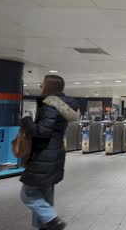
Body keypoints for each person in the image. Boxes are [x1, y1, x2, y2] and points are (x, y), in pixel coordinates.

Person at [19, 75, 79, 230]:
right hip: (55, 154)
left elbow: (42, 131)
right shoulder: (63, 106)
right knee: (45, 194)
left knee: (28, 194)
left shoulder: (50, 105)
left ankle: (52, 220)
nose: (40, 87)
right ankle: (45, 226)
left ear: (48, 87)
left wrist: (27, 122)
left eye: (42, 84)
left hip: (43, 154)